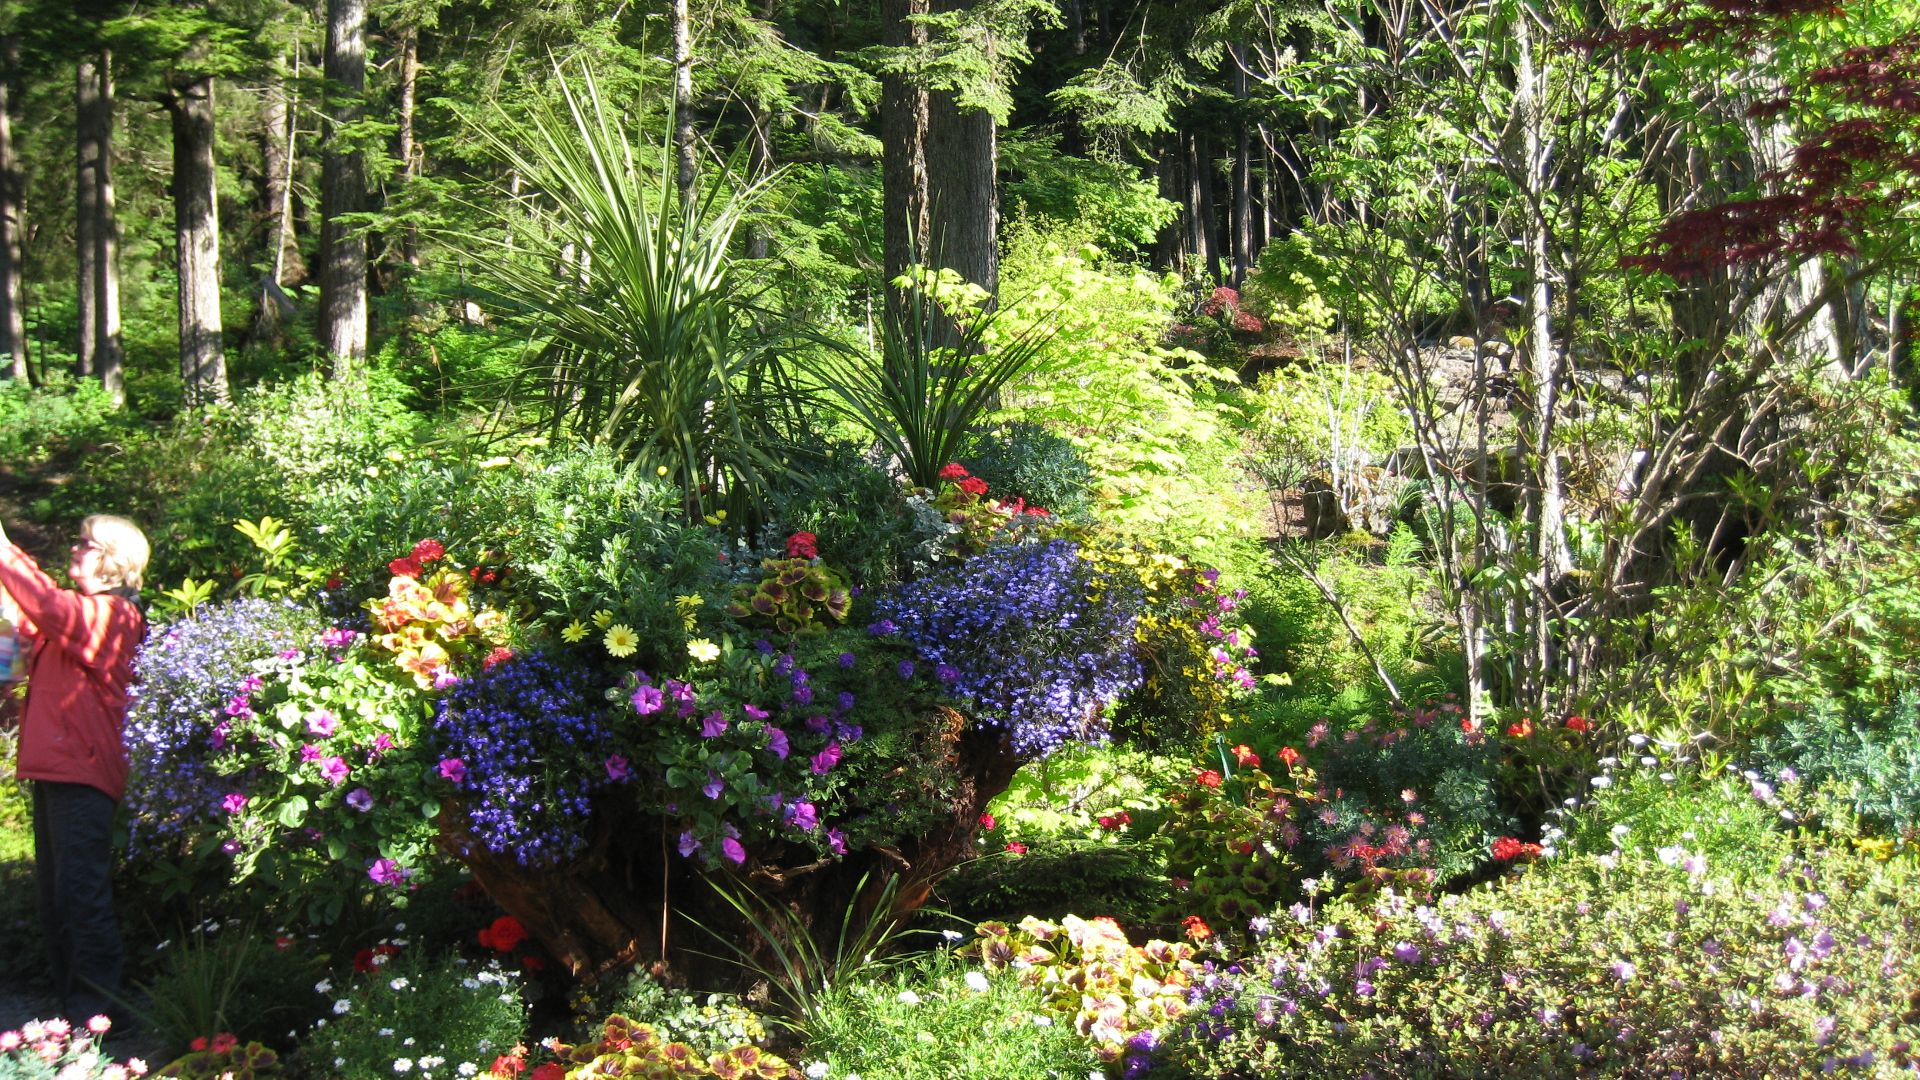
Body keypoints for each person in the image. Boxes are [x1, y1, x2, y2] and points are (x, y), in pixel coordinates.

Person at [0, 514, 149, 1027]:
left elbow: (47, 606)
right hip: (54, 770)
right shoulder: (79, 616)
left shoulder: (115, 616)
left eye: (84, 544)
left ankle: (101, 1016)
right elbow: (20, 646)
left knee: (80, 893)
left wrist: (4, 552)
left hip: (83, 773)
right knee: (58, 897)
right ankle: (72, 1011)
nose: (74, 549)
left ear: (112, 558)